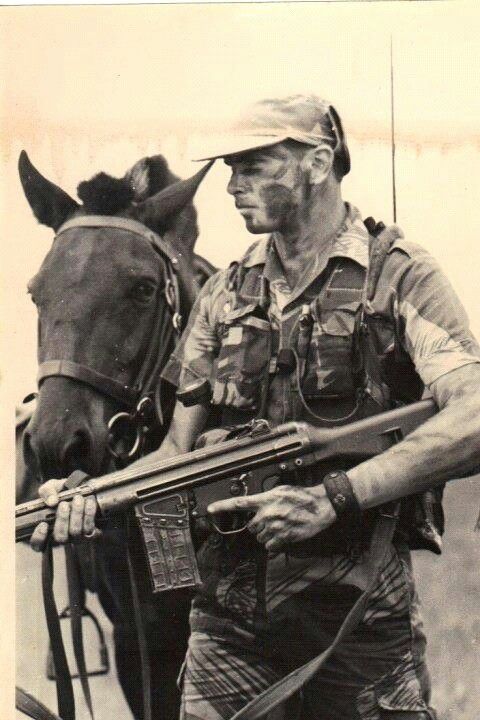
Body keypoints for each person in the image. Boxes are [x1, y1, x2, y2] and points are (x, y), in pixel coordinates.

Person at [32, 95, 480, 720]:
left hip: (357, 627)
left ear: (317, 163)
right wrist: (90, 497)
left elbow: (472, 416)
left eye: (253, 166)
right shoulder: (223, 294)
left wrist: (335, 497)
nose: (231, 186)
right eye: (230, 169)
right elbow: (175, 454)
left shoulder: (397, 277)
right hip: (228, 632)